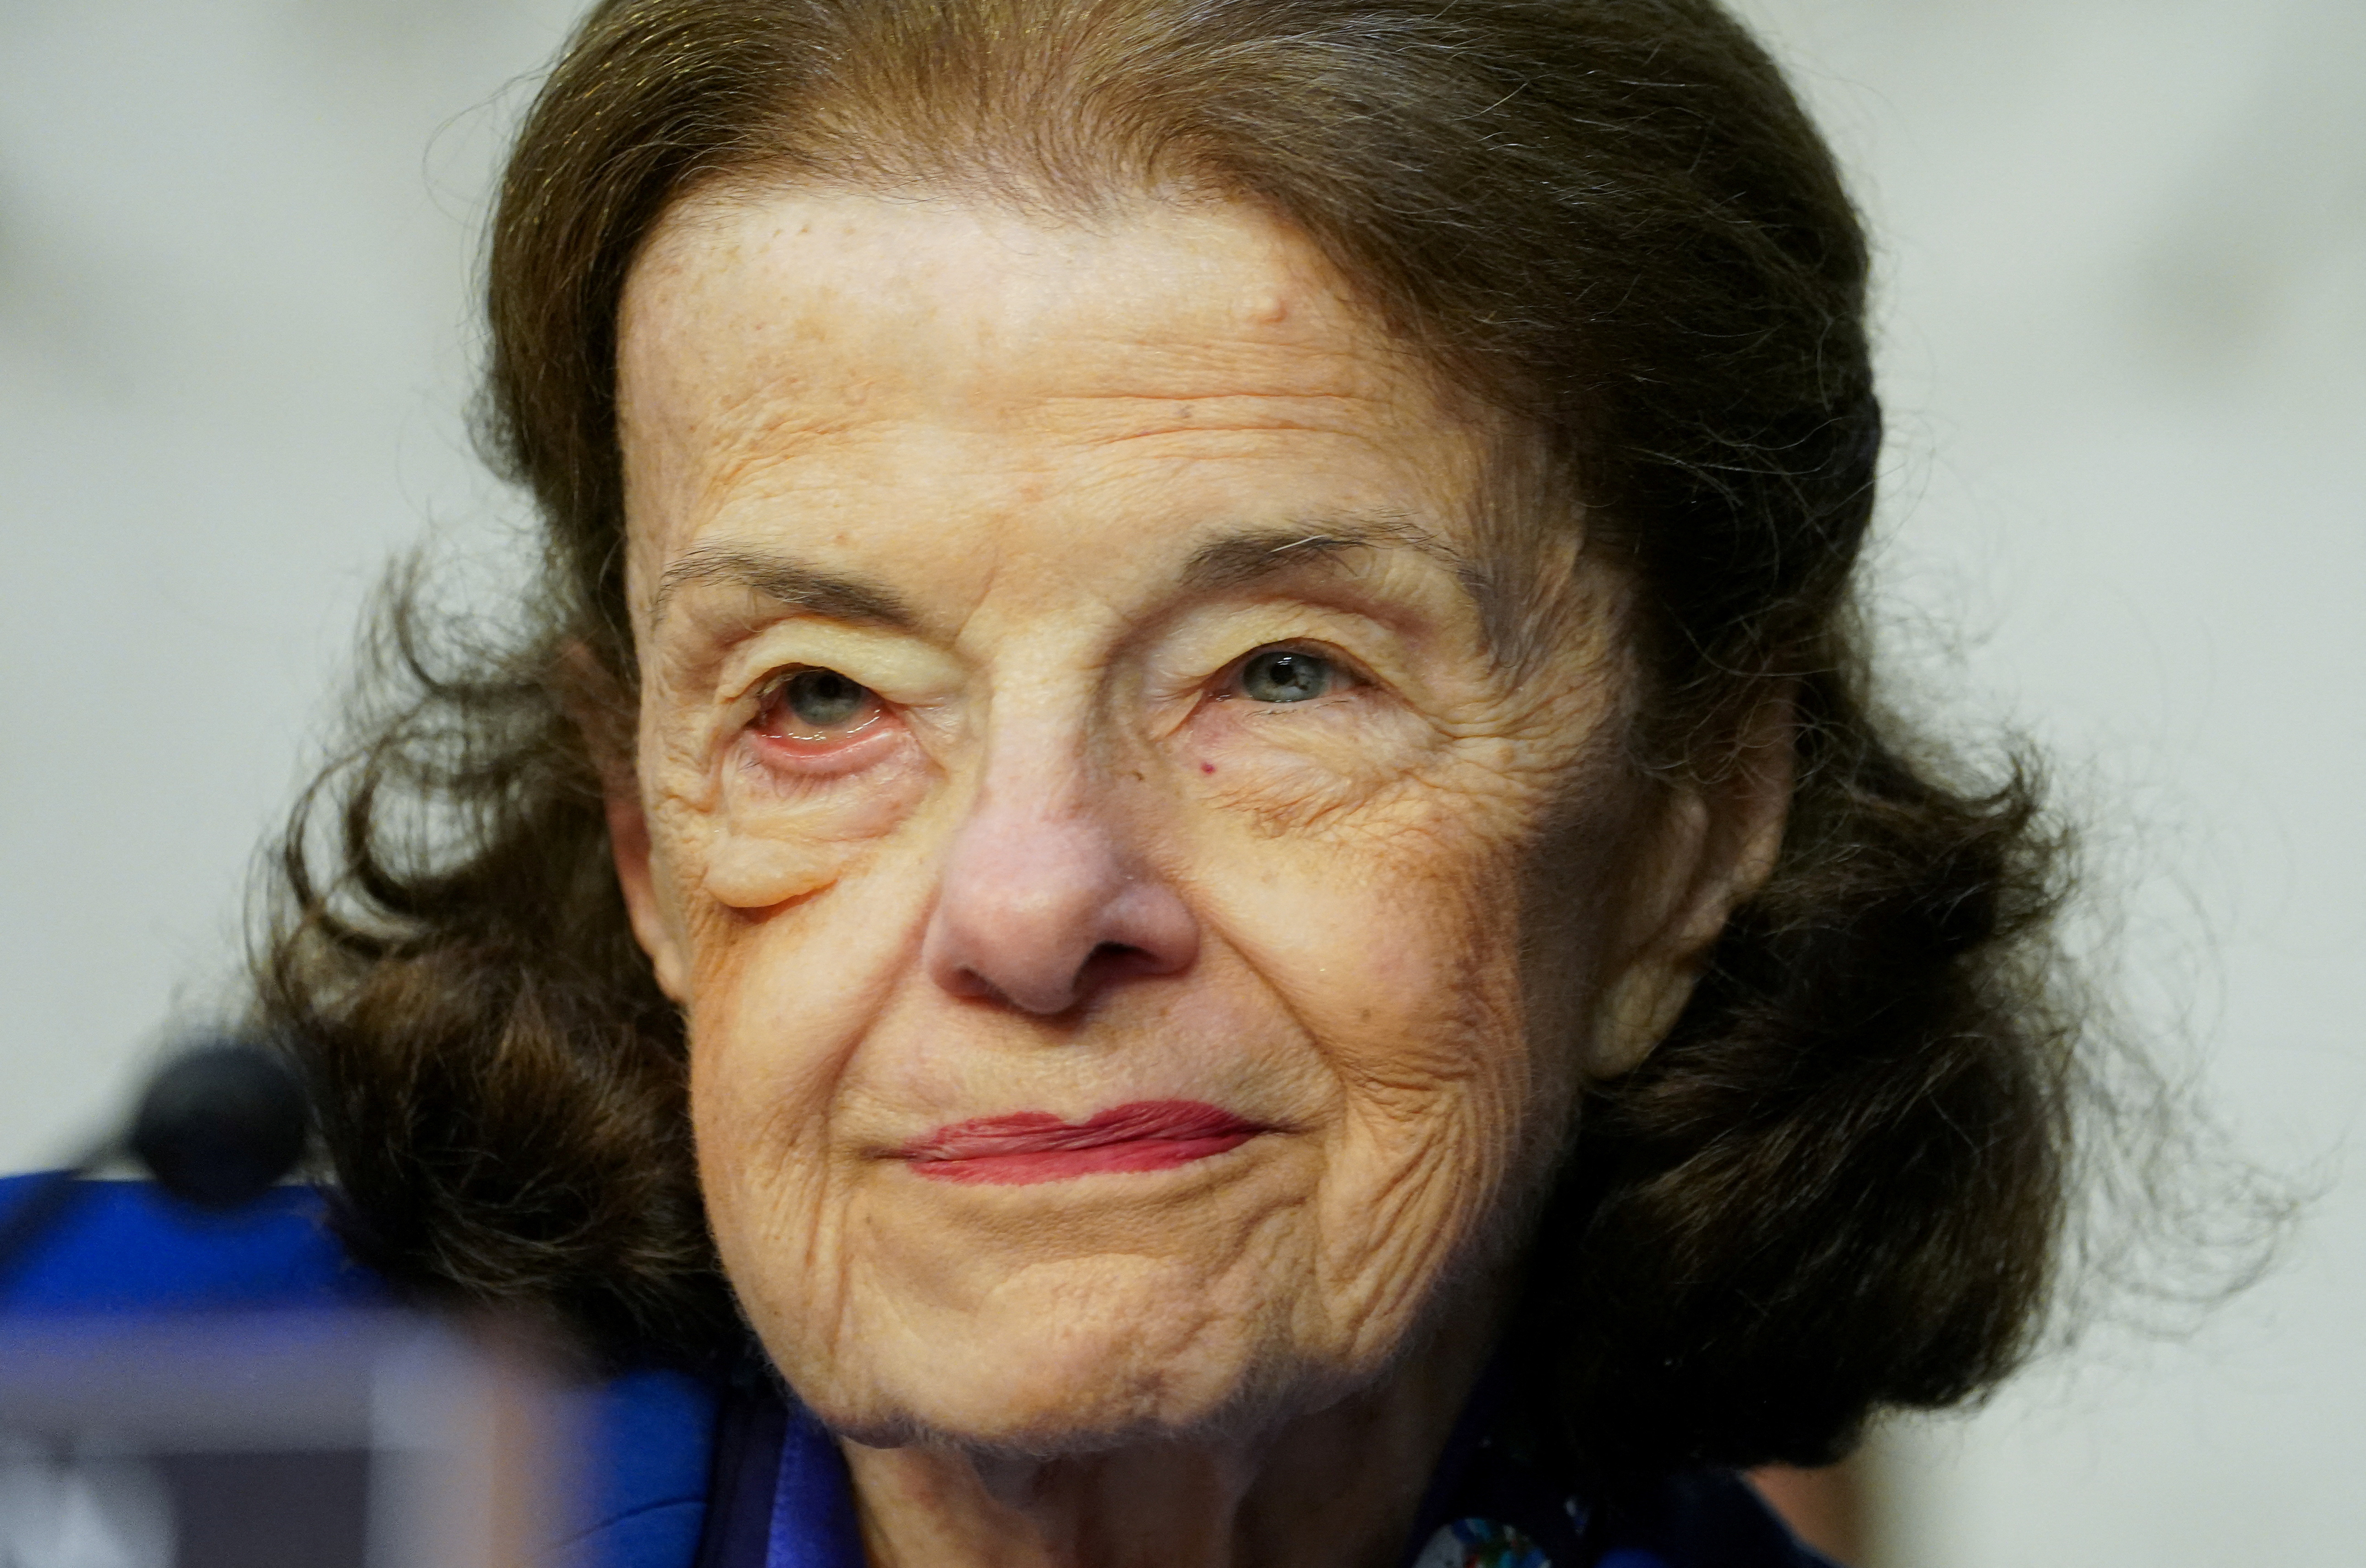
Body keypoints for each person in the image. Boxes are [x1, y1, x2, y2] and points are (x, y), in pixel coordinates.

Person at [17, 0, 2080, 1564]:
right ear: (643, 843)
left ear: (1690, 832)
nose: (1026, 905)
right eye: (820, 697)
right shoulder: (117, 1446)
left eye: (1284, 672)